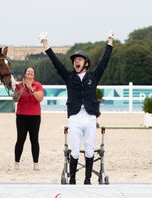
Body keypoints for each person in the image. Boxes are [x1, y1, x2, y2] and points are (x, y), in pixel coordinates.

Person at [40, 31, 114, 184]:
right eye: (75, 60)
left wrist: (110, 42)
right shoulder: (69, 77)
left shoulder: (93, 77)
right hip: (74, 116)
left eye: (79, 59)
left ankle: (87, 179)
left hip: (90, 116)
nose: (76, 62)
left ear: (86, 63)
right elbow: (56, 62)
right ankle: (72, 178)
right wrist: (45, 44)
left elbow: (104, 62)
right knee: (74, 150)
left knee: (89, 149)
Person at [12, 67, 44, 171]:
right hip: (21, 116)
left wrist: (31, 88)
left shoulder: (38, 85)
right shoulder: (19, 85)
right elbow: (15, 99)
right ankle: (16, 162)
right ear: (25, 74)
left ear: (34, 75)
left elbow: (40, 98)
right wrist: (22, 88)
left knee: (34, 139)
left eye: (32, 71)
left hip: (35, 116)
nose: (30, 72)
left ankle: (36, 163)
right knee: (20, 139)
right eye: (28, 71)